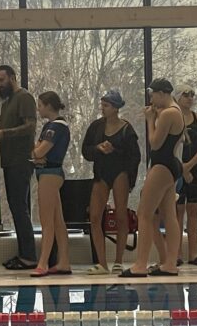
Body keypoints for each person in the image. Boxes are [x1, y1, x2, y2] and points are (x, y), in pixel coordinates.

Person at [121, 78, 184, 279]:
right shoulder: (176, 111)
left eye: (153, 96)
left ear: (162, 93)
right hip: (170, 165)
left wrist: (150, 120)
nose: (151, 101)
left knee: (144, 214)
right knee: (169, 214)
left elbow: (155, 144)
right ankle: (170, 264)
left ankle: (140, 265)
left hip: (162, 166)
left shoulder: (168, 113)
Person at [0, 64, 37, 271]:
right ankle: (24, 254)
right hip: (10, 161)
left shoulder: (24, 98)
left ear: (12, 78)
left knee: (20, 208)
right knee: (16, 208)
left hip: (21, 160)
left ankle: (29, 256)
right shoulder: (7, 103)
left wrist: (3, 134)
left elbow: (30, 127)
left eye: (2, 80)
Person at [81, 89, 141, 276]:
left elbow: (135, 157)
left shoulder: (126, 129)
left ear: (115, 108)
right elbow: (86, 151)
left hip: (120, 172)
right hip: (101, 173)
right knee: (95, 217)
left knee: (121, 215)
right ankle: (102, 263)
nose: (102, 108)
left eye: (106, 105)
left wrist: (115, 151)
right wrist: (98, 148)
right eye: (102, 105)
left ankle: (118, 261)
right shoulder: (96, 126)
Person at [30, 92, 71, 277]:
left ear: (48, 106)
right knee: (57, 220)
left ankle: (43, 263)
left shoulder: (57, 126)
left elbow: (38, 152)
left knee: (46, 221)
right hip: (48, 173)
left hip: (50, 173)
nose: (38, 109)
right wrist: (37, 152)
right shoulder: (50, 126)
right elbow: (37, 152)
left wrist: (37, 152)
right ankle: (64, 262)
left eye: (40, 105)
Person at [174, 83, 197, 268]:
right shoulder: (171, 118)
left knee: (194, 211)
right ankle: (176, 253)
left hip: (196, 169)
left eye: (192, 95)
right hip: (176, 168)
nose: (190, 98)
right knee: (177, 212)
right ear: (177, 97)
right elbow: (168, 146)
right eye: (186, 94)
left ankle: (193, 253)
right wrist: (181, 169)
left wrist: (188, 166)